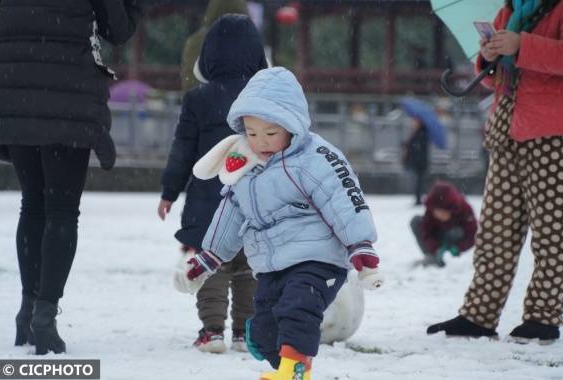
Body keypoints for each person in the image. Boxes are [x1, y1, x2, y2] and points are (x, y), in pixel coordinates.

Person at [180, 67, 382, 380]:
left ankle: (296, 370)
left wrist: (361, 248)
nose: (260, 141)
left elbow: (344, 199)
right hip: (272, 265)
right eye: (251, 132)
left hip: (318, 260)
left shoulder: (316, 157)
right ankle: (284, 361)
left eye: (271, 133)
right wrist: (208, 258)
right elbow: (230, 212)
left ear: (292, 125)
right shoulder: (245, 164)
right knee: (264, 331)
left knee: (297, 310)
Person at [0, 0, 139, 354]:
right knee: (61, 210)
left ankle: (27, 311)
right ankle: (45, 316)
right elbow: (118, 30)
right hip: (68, 96)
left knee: (32, 204)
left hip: (15, 92)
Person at [427, 0, 563, 344]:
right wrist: (489, 56)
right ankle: (479, 314)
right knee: (495, 230)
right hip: (506, 127)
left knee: (552, 233)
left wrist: (523, 45)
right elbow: (494, 80)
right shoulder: (511, 9)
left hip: (553, 131)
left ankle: (542, 317)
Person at [158, 14, 268, 353]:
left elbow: (183, 150)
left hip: (209, 199)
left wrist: (169, 191)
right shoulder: (264, 98)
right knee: (250, 266)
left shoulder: (198, 99)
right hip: (257, 198)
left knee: (212, 264)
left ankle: (212, 330)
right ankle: (243, 331)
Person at [410, 181, 477, 267]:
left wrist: (459, 248)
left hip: (455, 237)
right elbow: (425, 232)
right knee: (416, 221)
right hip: (438, 235)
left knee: (456, 231)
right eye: (437, 212)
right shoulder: (430, 210)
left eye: (443, 213)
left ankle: (446, 253)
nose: (440, 216)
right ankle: (433, 256)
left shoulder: (465, 209)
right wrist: (434, 247)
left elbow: (472, 235)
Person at [402, 118, 429, 205]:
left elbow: (417, 147)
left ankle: (418, 198)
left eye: (416, 122)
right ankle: (418, 198)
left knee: (419, 181)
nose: (413, 124)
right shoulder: (417, 132)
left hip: (420, 161)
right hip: (418, 161)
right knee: (418, 181)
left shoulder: (422, 133)